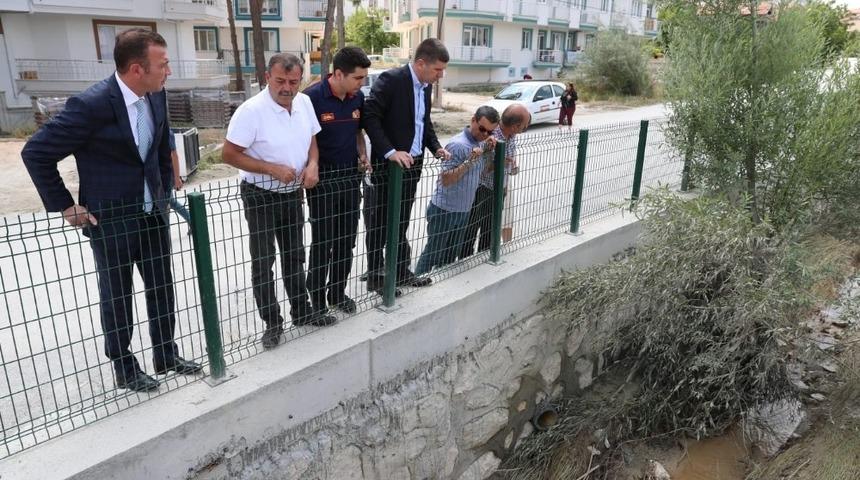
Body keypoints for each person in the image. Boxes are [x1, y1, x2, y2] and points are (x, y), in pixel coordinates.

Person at [21, 28, 202, 393]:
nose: (168, 71)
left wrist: (164, 190)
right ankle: (124, 365)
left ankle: (166, 353)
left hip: (153, 214)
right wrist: (65, 206)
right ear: (137, 69)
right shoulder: (91, 105)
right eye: (162, 65)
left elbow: (161, 143)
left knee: (162, 286)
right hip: (112, 220)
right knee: (117, 295)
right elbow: (36, 152)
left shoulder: (156, 95)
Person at [222, 53, 337, 351]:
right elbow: (230, 154)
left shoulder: (304, 103)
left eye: (293, 81)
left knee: (294, 255)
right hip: (260, 195)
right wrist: (271, 169)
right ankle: (272, 322)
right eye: (280, 81)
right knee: (264, 262)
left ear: (300, 80)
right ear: (267, 78)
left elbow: (313, 140)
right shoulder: (251, 111)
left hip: (292, 193)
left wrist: (313, 165)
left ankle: (302, 312)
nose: (286, 88)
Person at [362, 38, 452, 295]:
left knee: (400, 221)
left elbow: (423, 123)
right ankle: (377, 277)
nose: (441, 75)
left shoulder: (424, 86)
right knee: (380, 222)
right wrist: (390, 152)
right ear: (421, 63)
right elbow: (370, 116)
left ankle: (400, 272)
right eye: (438, 70)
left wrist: (436, 148)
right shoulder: (392, 80)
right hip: (388, 166)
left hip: (412, 165)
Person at [304, 47, 371, 316]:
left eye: (364, 78)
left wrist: (363, 154)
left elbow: (358, 132)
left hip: (350, 179)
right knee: (323, 240)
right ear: (338, 74)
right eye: (358, 78)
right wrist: (312, 167)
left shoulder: (357, 99)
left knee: (346, 239)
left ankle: (337, 292)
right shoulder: (311, 99)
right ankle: (316, 298)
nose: (362, 83)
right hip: (323, 181)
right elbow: (306, 142)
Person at [415, 106, 500, 275]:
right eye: (482, 129)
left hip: (463, 210)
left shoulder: (481, 143)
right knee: (433, 253)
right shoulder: (458, 144)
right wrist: (469, 161)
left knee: (450, 256)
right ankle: (416, 283)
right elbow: (446, 179)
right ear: (473, 120)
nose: (485, 135)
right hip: (444, 210)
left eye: (490, 132)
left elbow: (485, 171)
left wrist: (489, 151)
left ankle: (440, 285)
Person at [459, 104, 531, 259]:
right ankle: (464, 262)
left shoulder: (511, 136)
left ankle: (484, 258)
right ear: (515, 126)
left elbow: (509, 162)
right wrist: (499, 163)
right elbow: (479, 168)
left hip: (500, 189)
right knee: (471, 228)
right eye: (524, 126)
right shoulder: (490, 137)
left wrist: (512, 167)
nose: (525, 128)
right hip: (482, 189)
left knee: (491, 229)